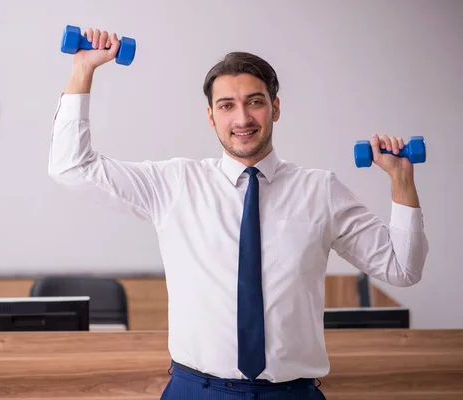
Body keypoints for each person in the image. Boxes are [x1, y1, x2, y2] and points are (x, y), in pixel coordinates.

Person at [48, 28, 429, 400]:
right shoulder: (174, 184)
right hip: (196, 390)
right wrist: (83, 69)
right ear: (211, 117)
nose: (242, 118)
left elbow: (401, 269)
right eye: (227, 106)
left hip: (292, 393)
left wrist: (401, 181)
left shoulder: (320, 190)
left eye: (255, 101)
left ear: (275, 108)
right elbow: (71, 167)